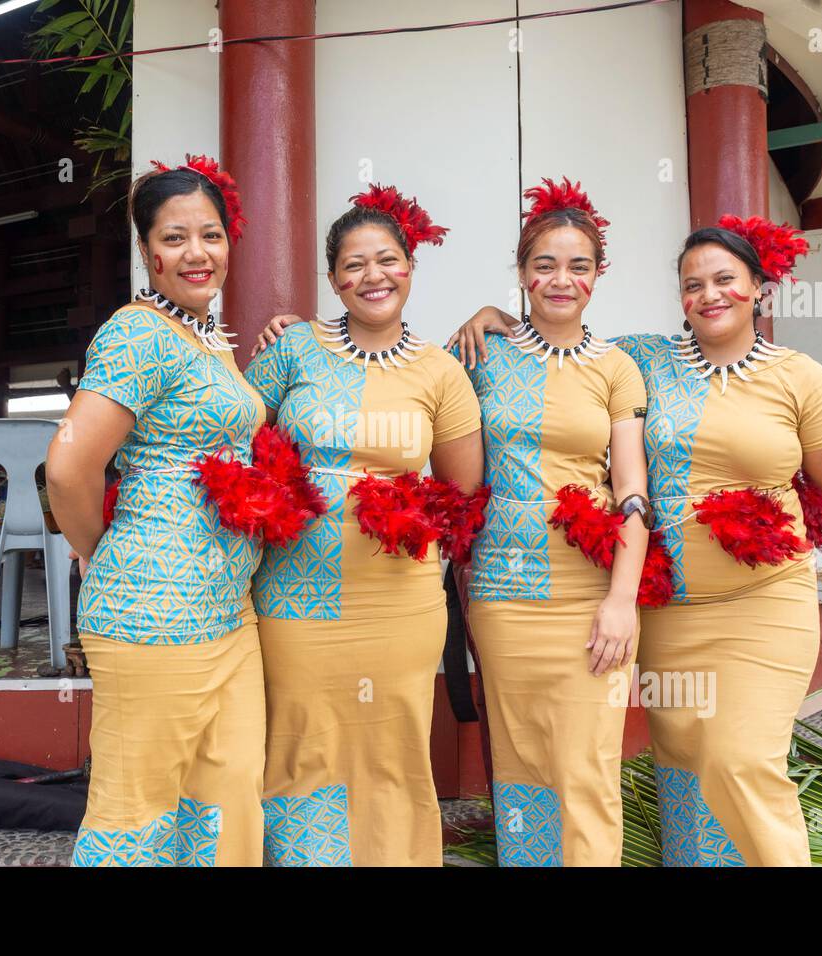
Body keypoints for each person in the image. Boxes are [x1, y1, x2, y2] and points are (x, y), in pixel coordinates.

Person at [450, 215, 822, 866]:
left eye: (726, 279)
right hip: (669, 612)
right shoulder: (642, 358)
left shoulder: (801, 377)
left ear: (759, 286)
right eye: (692, 283)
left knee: (740, 762)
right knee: (684, 771)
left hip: (761, 606)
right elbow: (565, 343)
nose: (710, 294)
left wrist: (760, 538)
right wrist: (488, 314)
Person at [244, 184, 483, 866]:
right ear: (333, 280)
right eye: (353, 264)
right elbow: (236, 436)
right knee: (301, 743)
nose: (371, 275)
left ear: (410, 266)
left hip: (397, 599)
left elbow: (461, 492)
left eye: (386, 259)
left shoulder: (440, 372)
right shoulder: (292, 350)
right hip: (293, 595)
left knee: (391, 743)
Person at [47, 154, 267, 867]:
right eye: (174, 238)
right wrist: (100, 547)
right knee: (137, 810)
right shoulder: (136, 333)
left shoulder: (206, 336)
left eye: (211, 235)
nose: (196, 253)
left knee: (225, 795)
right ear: (147, 251)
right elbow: (69, 466)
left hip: (228, 610)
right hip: (153, 611)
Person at [456, 180, 647, 866]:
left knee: (586, 767)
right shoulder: (479, 354)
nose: (560, 280)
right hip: (503, 596)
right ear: (521, 272)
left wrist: (622, 601)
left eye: (578, 266)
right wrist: (293, 332)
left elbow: (632, 493)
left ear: (598, 275)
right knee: (522, 767)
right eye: (544, 264)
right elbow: (403, 383)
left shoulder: (617, 368)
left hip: (590, 591)